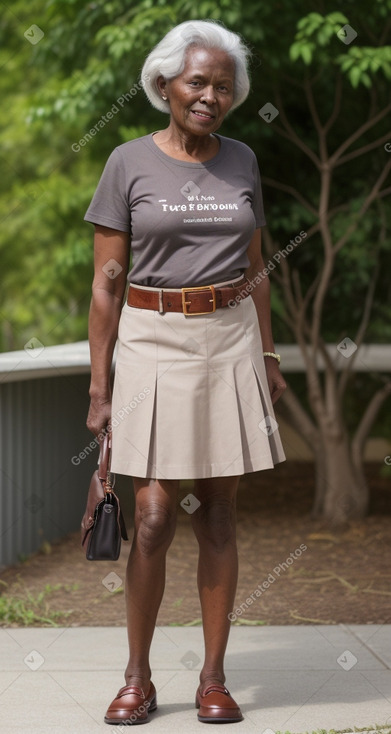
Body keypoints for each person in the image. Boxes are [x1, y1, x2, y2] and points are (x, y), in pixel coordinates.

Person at [85, 19, 286, 726]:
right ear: (164, 83)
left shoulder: (241, 161)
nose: (209, 95)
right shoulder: (127, 162)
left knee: (221, 513)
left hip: (227, 338)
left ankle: (213, 678)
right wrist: (99, 384)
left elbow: (256, 267)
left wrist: (266, 353)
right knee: (151, 514)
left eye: (222, 86)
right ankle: (137, 678)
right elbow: (107, 281)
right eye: (196, 81)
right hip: (151, 339)